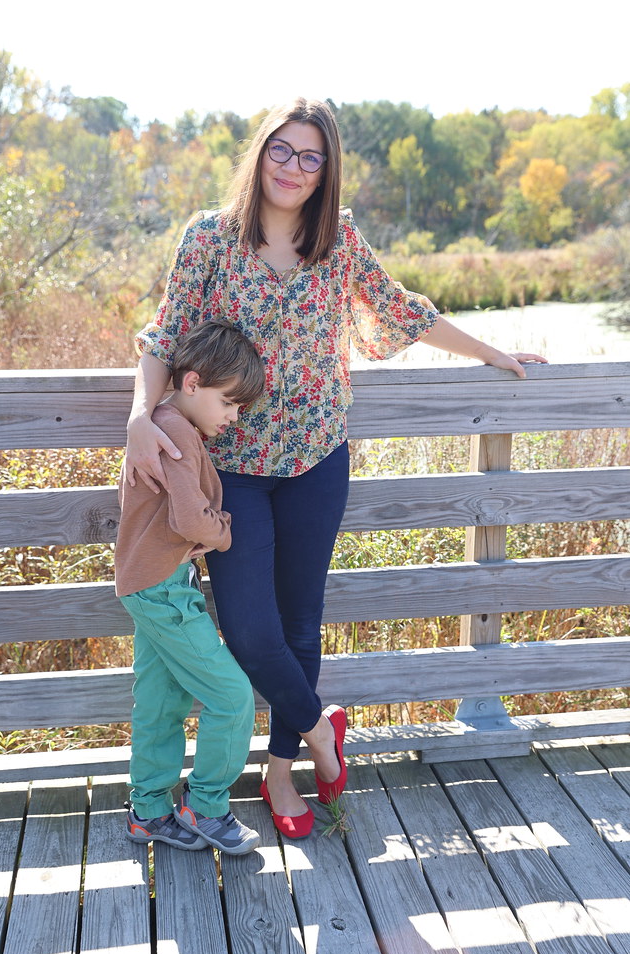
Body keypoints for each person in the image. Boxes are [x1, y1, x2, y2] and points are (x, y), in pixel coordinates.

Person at [124, 97, 547, 839]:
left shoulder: (338, 240)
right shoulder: (209, 240)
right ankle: (323, 734)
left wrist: (492, 353)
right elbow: (163, 336)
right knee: (252, 632)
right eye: (281, 150)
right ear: (259, 154)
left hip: (318, 456)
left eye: (310, 156)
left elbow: (400, 309)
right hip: (235, 466)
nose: (292, 167)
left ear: (327, 169)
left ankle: (281, 766)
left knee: (299, 620)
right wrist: (139, 417)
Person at [116, 318, 266, 856]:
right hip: (162, 588)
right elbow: (191, 520)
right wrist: (221, 532)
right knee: (231, 696)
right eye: (228, 403)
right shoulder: (176, 430)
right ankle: (206, 806)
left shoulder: (162, 424)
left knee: (162, 699)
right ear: (193, 382)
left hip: (146, 582)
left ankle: (150, 812)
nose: (232, 417)